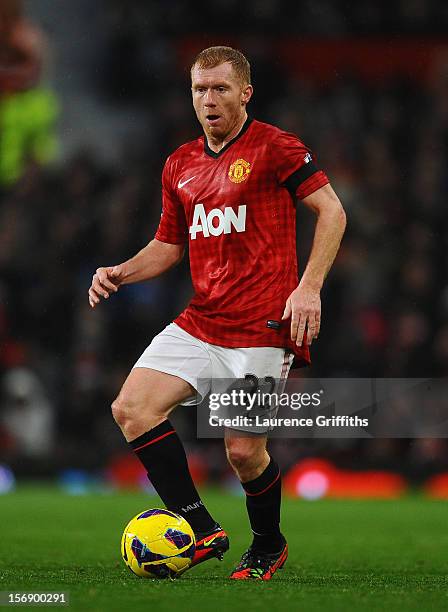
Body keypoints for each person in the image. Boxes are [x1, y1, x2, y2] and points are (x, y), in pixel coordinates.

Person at [88, 46, 346, 580]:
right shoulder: (179, 163)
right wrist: (120, 271)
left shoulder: (275, 147)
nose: (208, 99)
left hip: (262, 326)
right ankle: (200, 526)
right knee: (132, 408)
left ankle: (268, 545)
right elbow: (167, 246)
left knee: (243, 453)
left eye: (220, 89)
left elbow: (332, 211)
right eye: (200, 90)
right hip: (203, 321)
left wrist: (310, 287)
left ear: (245, 94)